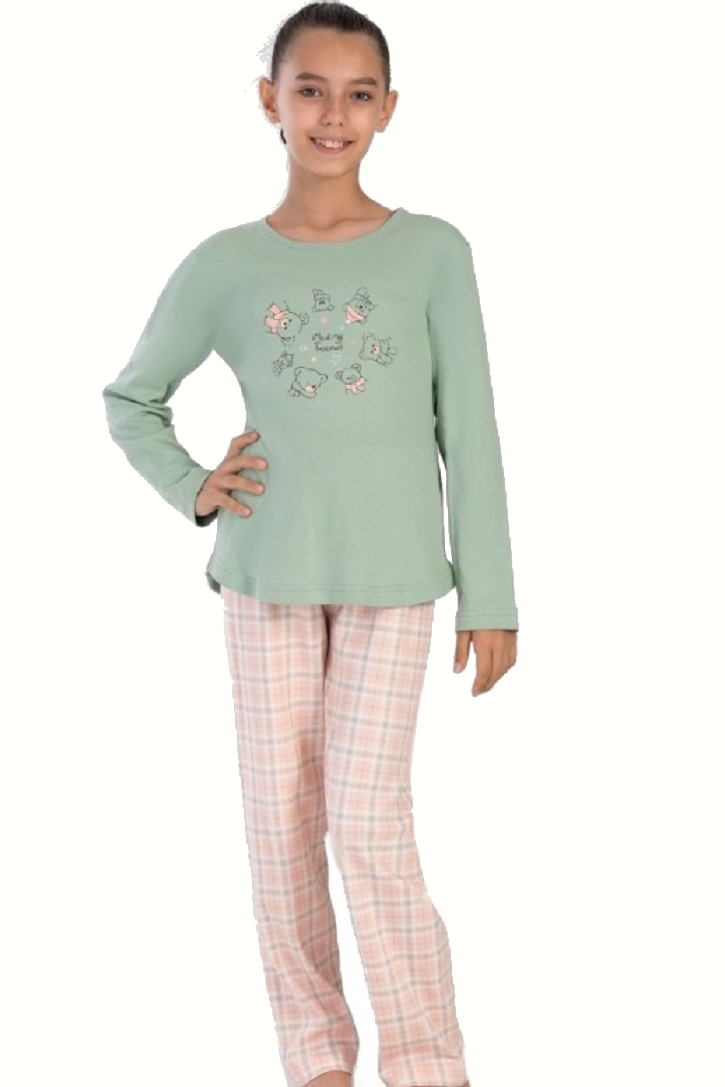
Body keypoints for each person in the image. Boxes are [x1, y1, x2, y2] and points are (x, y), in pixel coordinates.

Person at [102, 4, 519, 1086]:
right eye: (310, 90)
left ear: (388, 109)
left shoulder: (433, 252)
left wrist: (490, 593)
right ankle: (316, 1056)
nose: (333, 114)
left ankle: (425, 1059)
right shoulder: (225, 264)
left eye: (357, 93)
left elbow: (469, 427)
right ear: (269, 102)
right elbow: (131, 399)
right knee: (280, 828)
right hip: (264, 577)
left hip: (394, 582)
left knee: (368, 823)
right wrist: (196, 487)